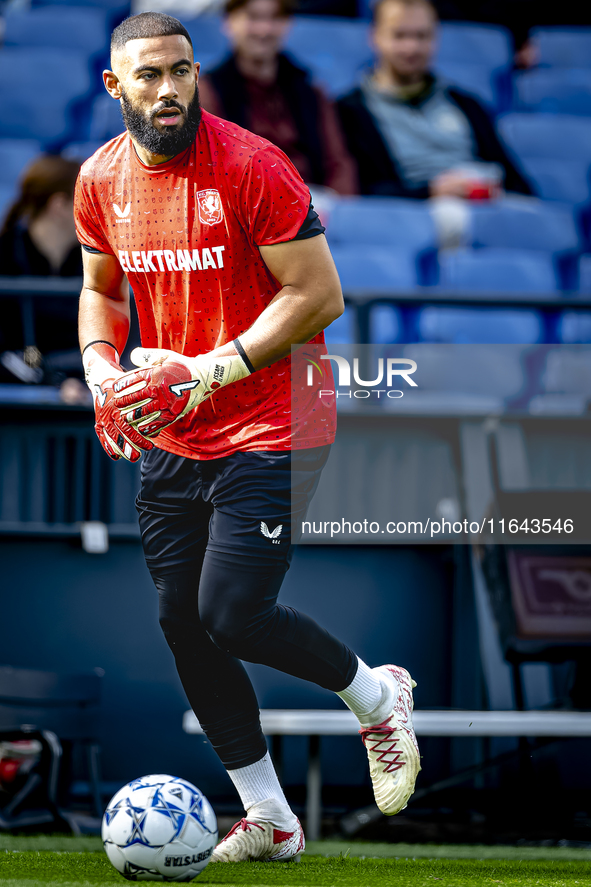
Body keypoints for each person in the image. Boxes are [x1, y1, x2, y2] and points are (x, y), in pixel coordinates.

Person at [75, 11, 420, 863]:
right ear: (116, 86)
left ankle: (378, 697)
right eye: (149, 75)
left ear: (198, 75)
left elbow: (318, 295)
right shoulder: (98, 181)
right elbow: (102, 291)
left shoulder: (251, 163)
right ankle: (268, 816)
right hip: (173, 426)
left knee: (230, 611)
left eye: (181, 72)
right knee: (182, 621)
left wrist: (208, 369)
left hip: (276, 414)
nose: (168, 90)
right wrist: (100, 372)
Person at [337, 0, 533, 200]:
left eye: (422, 36)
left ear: (435, 38)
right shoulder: (349, 111)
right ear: (375, 36)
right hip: (412, 215)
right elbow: (361, 192)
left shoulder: (467, 105)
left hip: (484, 207)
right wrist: (431, 191)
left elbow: (517, 184)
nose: (411, 47)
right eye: (399, 35)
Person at [198, 0, 358, 195]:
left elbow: (338, 164)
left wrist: (334, 211)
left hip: (312, 208)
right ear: (228, 22)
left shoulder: (311, 90)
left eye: (274, 18)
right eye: (253, 17)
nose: (264, 30)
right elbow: (207, 169)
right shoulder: (208, 92)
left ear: (287, 24)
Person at [0, 155, 87, 392]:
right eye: (90, 200)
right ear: (59, 205)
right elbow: (9, 352)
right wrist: (57, 382)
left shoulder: (94, 261)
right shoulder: (5, 256)